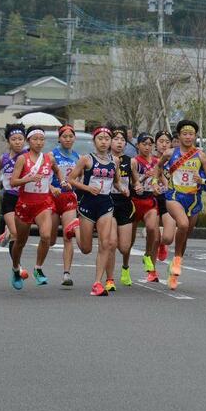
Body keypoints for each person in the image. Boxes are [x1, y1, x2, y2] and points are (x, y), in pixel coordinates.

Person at [155, 120, 206, 291]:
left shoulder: (201, 156)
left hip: (193, 199)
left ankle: (175, 266)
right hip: (174, 196)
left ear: (195, 136)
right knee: (182, 224)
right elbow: (158, 167)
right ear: (179, 136)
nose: (188, 137)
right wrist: (157, 181)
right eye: (185, 133)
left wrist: (202, 180)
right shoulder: (169, 153)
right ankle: (175, 263)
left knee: (185, 234)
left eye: (191, 134)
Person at [66, 127, 125, 297]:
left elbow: (116, 182)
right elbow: (70, 179)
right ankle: (75, 228)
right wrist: (87, 188)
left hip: (106, 204)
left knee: (105, 243)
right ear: (94, 141)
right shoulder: (86, 160)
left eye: (107, 138)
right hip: (87, 204)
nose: (104, 141)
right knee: (85, 248)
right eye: (100, 138)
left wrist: (123, 189)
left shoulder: (115, 161)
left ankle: (97, 283)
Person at [8, 126, 68, 289]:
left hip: (44, 203)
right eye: (35, 139)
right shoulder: (23, 159)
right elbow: (13, 182)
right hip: (25, 204)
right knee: (20, 242)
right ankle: (15, 268)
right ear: (29, 141)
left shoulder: (49, 158)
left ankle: (38, 268)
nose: (39, 142)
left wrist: (60, 182)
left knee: (46, 236)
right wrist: (28, 179)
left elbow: (57, 171)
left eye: (42, 139)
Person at [0, 124, 29, 280]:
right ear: (8, 141)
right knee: (17, 233)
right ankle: (18, 267)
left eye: (20, 139)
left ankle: (7, 233)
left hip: (26, 197)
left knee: (21, 235)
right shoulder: (4, 158)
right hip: (9, 197)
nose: (17, 142)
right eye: (14, 139)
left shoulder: (28, 156)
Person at [50, 125, 82, 287]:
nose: (68, 139)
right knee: (49, 239)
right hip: (52, 198)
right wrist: (52, 188)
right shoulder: (52, 155)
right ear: (59, 138)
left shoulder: (78, 157)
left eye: (71, 136)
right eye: (65, 137)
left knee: (67, 236)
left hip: (69, 198)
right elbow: (43, 177)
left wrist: (77, 187)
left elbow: (80, 179)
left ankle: (66, 273)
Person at [132, 133, 163, 282]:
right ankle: (125, 265)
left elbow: (162, 178)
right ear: (138, 145)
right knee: (128, 243)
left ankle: (148, 254)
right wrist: (145, 177)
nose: (147, 147)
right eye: (144, 144)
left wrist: (163, 186)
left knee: (152, 229)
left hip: (150, 200)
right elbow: (132, 182)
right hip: (134, 201)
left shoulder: (157, 161)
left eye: (150, 144)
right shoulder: (134, 161)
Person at [107, 127, 136, 289]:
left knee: (124, 247)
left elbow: (136, 181)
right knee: (111, 243)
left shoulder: (130, 161)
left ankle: (125, 268)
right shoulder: (103, 159)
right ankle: (109, 279)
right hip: (108, 202)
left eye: (122, 140)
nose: (119, 142)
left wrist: (137, 186)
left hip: (125, 204)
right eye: (116, 139)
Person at [153, 130, 175, 264]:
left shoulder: (175, 160)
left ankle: (163, 244)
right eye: (161, 141)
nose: (164, 145)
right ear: (155, 143)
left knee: (168, 238)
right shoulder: (150, 160)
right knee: (153, 237)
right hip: (153, 199)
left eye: (167, 142)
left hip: (169, 199)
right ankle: (152, 271)